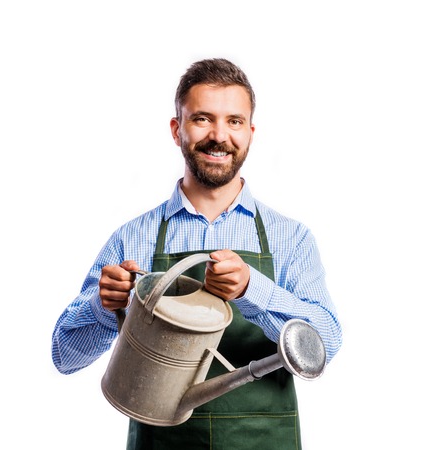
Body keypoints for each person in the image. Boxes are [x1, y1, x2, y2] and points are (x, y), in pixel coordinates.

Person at [52, 58, 342, 449]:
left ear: (251, 132)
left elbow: (325, 346)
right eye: (202, 119)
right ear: (177, 129)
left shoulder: (289, 238)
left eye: (234, 121)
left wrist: (253, 289)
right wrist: (104, 308)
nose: (219, 135)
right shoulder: (135, 237)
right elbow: (63, 357)